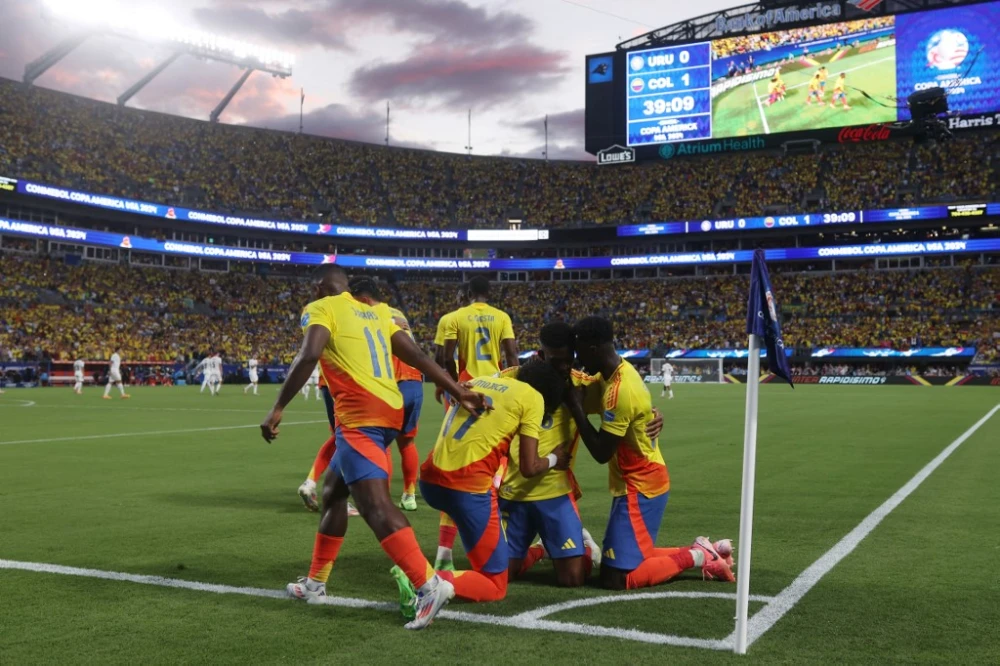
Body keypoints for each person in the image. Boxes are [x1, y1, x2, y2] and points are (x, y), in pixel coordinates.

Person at [261, 264, 487, 630]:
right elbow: (417, 356)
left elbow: (308, 355)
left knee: (374, 506)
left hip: (359, 416)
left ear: (320, 288)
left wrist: (277, 408)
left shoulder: (322, 307)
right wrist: (458, 389)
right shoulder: (381, 312)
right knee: (334, 492)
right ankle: (316, 583)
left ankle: (428, 586)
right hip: (390, 413)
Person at [566, 316, 734, 591]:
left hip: (642, 485)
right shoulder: (612, 376)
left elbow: (600, 451)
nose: (577, 357)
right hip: (634, 482)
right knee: (621, 561)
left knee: (616, 578)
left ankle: (698, 555)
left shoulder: (621, 389)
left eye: (580, 350)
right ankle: (704, 549)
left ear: (593, 348)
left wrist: (576, 408)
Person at [392, 360, 568, 611]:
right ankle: (424, 580)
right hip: (466, 489)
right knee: (495, 584)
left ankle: (535, 551)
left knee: (485, 554)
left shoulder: (481, 379)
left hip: (430, 482)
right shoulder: (533, 398)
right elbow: (529, 467)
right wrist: (554, 458)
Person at [500, 323, 666, 588]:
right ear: (540, 354)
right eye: (557, 361)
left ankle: (581, 547)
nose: (566, 368)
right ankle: (543, 549)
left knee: (573, 579)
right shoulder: (512, 378)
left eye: (570, 360)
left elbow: (629, 401)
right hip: (513, 491)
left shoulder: (583, 387)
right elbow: (475, 393)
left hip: (555, 493)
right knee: (502, 575)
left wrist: (654, 414)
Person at [437, 275, 519, 570]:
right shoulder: (502, 317)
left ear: (468, 293)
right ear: (488, 292)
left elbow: (445, 357)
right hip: (497, 392)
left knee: (457, 467)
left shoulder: (453, 317)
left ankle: (444, 554)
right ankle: (498, 542)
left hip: (466, 393)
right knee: (496, 466)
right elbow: (511, 355)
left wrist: (454, 388)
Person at [348, 277, 422, 512]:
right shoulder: (397, 312)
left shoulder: (369, 314)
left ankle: (382, 498)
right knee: (407, 441)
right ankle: (409, 495)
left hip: (392, 381)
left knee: (380, 442)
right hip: (415, 380)